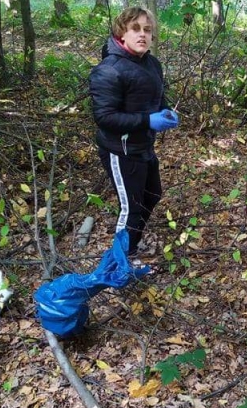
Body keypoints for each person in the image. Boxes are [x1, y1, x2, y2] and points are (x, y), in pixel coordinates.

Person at [89, 7, 179, 260]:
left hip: (143, 146)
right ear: (122, 33)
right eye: (135, 29)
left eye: (147, 30)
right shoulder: (109, 70)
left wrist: (166, 111)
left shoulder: (152, 64)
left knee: (152, 195)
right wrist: (148, 120)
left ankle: (130, 248)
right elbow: (104, 117)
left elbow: (157, 98)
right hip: (120, 151)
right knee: (131, 209)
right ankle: (118, 264)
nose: (143, 35)